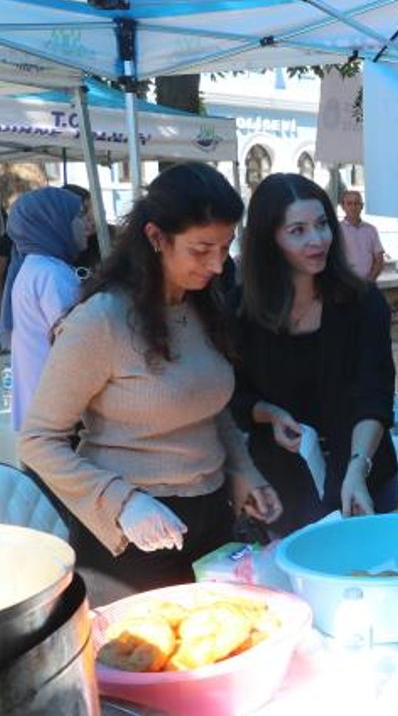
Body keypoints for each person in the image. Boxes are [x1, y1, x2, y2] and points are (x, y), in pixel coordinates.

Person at [18, 163, 282, 606]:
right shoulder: (102, 320)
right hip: (132, 536)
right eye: (201, 249)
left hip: (211, 517)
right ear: (156, 237)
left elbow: (209, 406)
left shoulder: (201, 306)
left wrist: (242, 471)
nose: (217, 265)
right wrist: (123, 502)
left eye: (224, 248)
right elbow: (38, 441)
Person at [232, 174, 398, 536]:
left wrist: (358, 467)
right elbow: (234, 395)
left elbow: (374, 394)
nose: (317, 240)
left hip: (363, 476)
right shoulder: (241, 310)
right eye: (298, 231)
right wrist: (270, 414)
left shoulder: (362, 303)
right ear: (269, 239)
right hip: (283, 488)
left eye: (322, 225)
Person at [1, 187, 86, 431]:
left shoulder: (33, 266)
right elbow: (77, 343)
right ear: (54, 223)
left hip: (38, 409)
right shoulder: (53, 274)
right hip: (57, 415)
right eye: (79, 216)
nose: (86, 223)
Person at [338, 189, 385, 281]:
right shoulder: (336, 230)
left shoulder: (371, 230)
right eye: (349, 203)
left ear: (362, 206)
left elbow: (379, 259)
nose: (353, 207)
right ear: (343, 206)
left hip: (368, 283)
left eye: (356, 203)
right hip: (345, 284)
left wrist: (369, 281)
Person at [62, 183, 101, 277]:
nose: (91, 217)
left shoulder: (107, 240)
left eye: (94, 209)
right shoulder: (56, 256)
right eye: (82, 213)